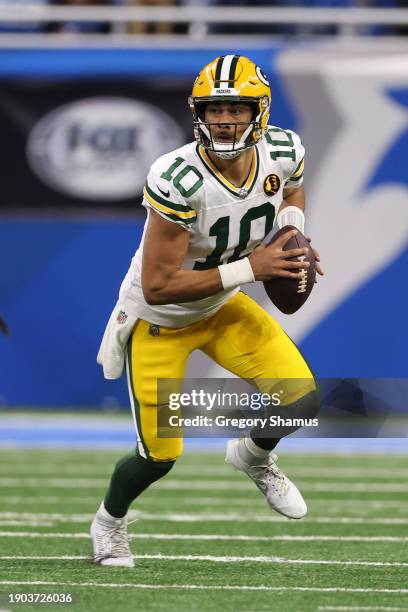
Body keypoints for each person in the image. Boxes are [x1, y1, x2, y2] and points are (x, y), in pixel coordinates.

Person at [91, 54, 323, 567]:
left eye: (236, 108)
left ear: (258, 112)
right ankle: (109, 523)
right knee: (159, 458)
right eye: (215, 108)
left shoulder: (283, 149)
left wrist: (291, 237)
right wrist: (255, 267)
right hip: (161, 323)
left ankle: (253, 456)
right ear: (198, 111)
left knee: (301, 399)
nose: (224, 118)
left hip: (219, 306)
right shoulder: (179, 176)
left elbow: (294, 186)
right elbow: (157, 285)